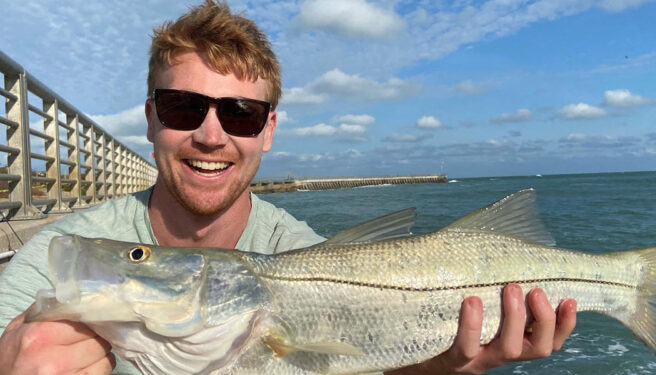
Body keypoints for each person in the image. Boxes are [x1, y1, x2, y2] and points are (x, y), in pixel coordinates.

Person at [0, 1, 577, 374]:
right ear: (151, 118)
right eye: (183, 107)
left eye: (242, 114)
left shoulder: (299, 244)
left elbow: (365, 362)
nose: (210, 135)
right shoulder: (63, 254)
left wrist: (452, 364)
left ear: (268, 130)